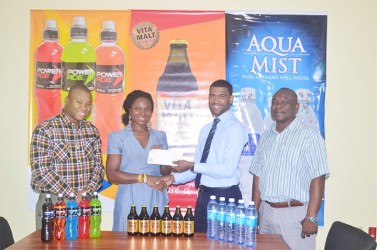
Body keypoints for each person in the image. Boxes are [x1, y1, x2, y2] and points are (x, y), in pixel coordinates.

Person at [160, 79, 248, 232]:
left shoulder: (235, 129)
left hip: (225, 197)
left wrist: (191, 165)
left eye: (221, 96)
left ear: (231, 99)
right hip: (204, 196)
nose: (215, 101)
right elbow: (200, 169)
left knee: (224, 245)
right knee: (200, 243)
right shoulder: (206, 129)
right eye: (212, 96)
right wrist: (174, 179)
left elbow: (227, 169)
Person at [249, 87, 330, 250]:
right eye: (275, 102)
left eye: (285, 102)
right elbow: (257, 175)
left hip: (295, 216)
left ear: (296, 107)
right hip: (266, 213)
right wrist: (254, 210)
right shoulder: (266, 136)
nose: (278, 106)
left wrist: (311, 217)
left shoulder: (310, 136)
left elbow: (318, 177)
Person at [30, 83, 105, 230]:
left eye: (88, 104)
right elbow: (41, 171)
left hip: (85, 203)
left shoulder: (92, 131)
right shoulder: (46, 129)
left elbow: (99, 167)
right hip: (54, 203)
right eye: (79, 102)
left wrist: (86, 193)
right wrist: (72, 195)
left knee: (85, 245)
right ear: (67, 101)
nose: (84, 108)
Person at [106, 90, 170, 232]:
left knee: (154, 242)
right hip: (129, 197)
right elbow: (112, 175)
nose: (143, 113)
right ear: (129, 110)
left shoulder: (160, 136)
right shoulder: (118, 137)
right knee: (126, 242)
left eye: (147, 109)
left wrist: (161, 156)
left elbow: (166, 171)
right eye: (137, 108)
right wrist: (144, 178)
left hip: (155, 196)